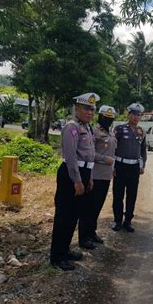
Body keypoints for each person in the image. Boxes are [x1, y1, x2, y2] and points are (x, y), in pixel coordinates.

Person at [50, 92, 99, 271]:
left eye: (92, 109)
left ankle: (65, 250)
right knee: (64, 216)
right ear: (77, 108)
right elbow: (70, 157)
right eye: (86, 108)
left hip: (84, 173)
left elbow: (90, 156)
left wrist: (90, 178)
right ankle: (57, 257)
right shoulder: (71, 127)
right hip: (71, 175)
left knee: (74, 215)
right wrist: (77, 180)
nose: (90, 112)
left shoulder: (88, 128)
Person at [79, 105, 117, 246]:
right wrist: (103, 159)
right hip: (94, 175)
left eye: (111, 118)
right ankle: (84, 237)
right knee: (89, 207)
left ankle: (92, 232)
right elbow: (90, 153)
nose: (108, 120)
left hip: (106, 176)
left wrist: (112, 167)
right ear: (100, 117)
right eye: (106, 118)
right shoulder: (94, 131)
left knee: (98, 207)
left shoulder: (111, 133)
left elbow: (112, 153)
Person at [112, 103, 147, 232]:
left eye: (139, 115)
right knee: (118, 195)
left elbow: (143, 151)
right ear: (129, 115)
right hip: (120, 166)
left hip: (134, 168)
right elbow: (112, 148)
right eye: (134, 114)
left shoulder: (141, 131)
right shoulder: (119, 129)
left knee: (132, 195)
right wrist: (113, 166)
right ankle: (117, 221)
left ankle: (128, 221)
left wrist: (142, 165)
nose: (136, 117)